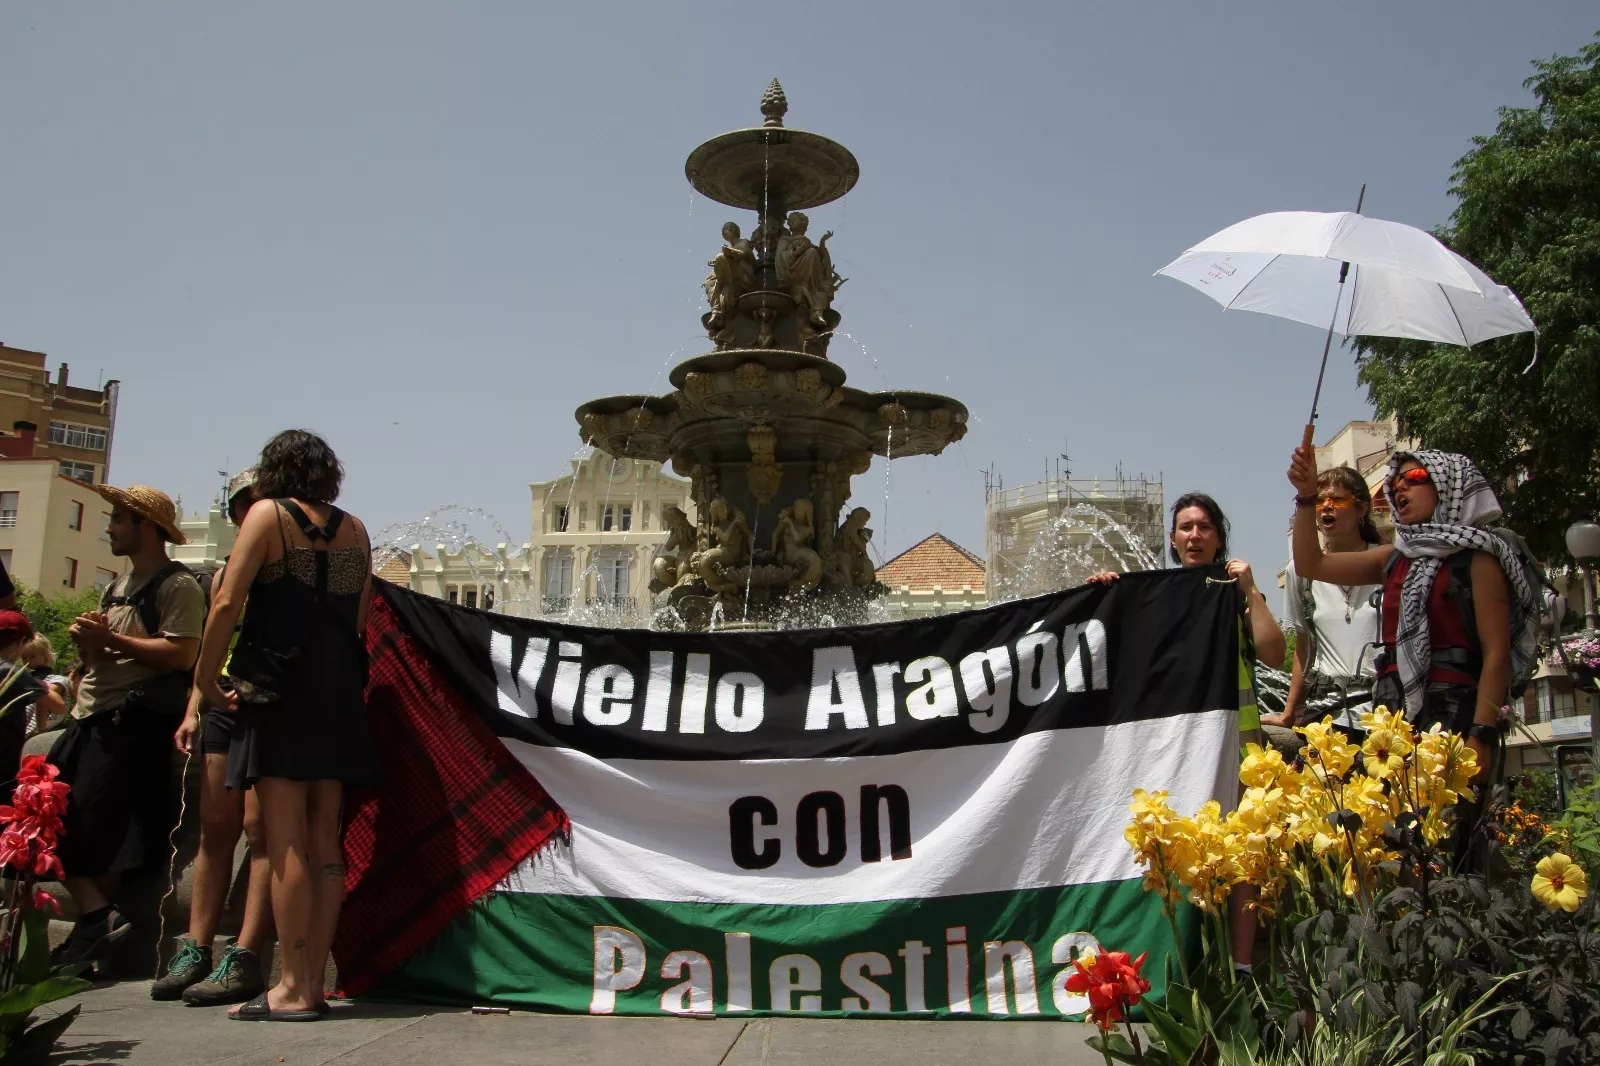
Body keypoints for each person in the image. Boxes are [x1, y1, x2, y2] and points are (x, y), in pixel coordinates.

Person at [194, 431, 380, 1021]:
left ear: (274, 471)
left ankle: (293, 987)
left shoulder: (268, 516)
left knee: (286, 838)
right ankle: (314, 984)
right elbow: (359, 615)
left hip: (279, 689)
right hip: (339, 689)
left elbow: (227, 603)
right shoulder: (356, 529)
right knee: (327, 837)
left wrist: (203, 678)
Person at [1089, 491, 1285, 972]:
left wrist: (1252, 592)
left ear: (1219, 537)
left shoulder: (1232, 594)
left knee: (1241, 857)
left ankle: (1240, 968)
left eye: (1204, 527)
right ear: (1173, 540)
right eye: (1185, 528)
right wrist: (1106, 596)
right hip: (1176, 748)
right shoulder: (1156, 596)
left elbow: (1276, 654)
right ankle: (1178, 964)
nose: (1194, 535)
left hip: (1238, 746)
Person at [1287, 444, 1534, 784]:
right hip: (1395, 716)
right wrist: (1304, 496)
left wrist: (1482, 734)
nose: (1400, 487)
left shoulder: (1478, 558)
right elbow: (1310, 564)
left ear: (1448, 485)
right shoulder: (1396, 558)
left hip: (1454, 712)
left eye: (1414, 478)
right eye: (1396, 481)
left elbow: (1496, 656)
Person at [49, 485, 205, 965]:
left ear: (147, 526)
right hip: (89, 717)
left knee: (99, 831)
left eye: (118, 520)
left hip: (131, 723)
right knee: (44, 822)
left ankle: (91, 929)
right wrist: (89, 644)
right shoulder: (116, 586)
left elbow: (183, 653)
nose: (110, 528)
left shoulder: (176, 585)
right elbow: (103, 655)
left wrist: (110, 638)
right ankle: (97, 915)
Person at [155, 470, 273, 1005]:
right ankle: (195, 946)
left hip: (267, 700)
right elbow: (211, 641)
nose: (249, 513)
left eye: (258, 503)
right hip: (224, 697)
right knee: (215, 826)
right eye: (242, 506)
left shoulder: (289, 568)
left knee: (260, 825)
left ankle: (246, 954)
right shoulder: (223, 571)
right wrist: (192, 706)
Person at [1261, 467, 1384, 760]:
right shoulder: (1300, 573)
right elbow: (1303, 649)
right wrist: (1289, 713)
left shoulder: (1390, 563)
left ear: (1362, 509)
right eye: (1319, 501)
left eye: (1338, 500)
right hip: (1326, 715)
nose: (1326, 507)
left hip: (1381, 711)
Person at [0, 612, 67, 802]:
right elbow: (58, 705)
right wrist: (38, 681)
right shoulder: (10, 672)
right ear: (20, 642)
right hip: (4, 766)